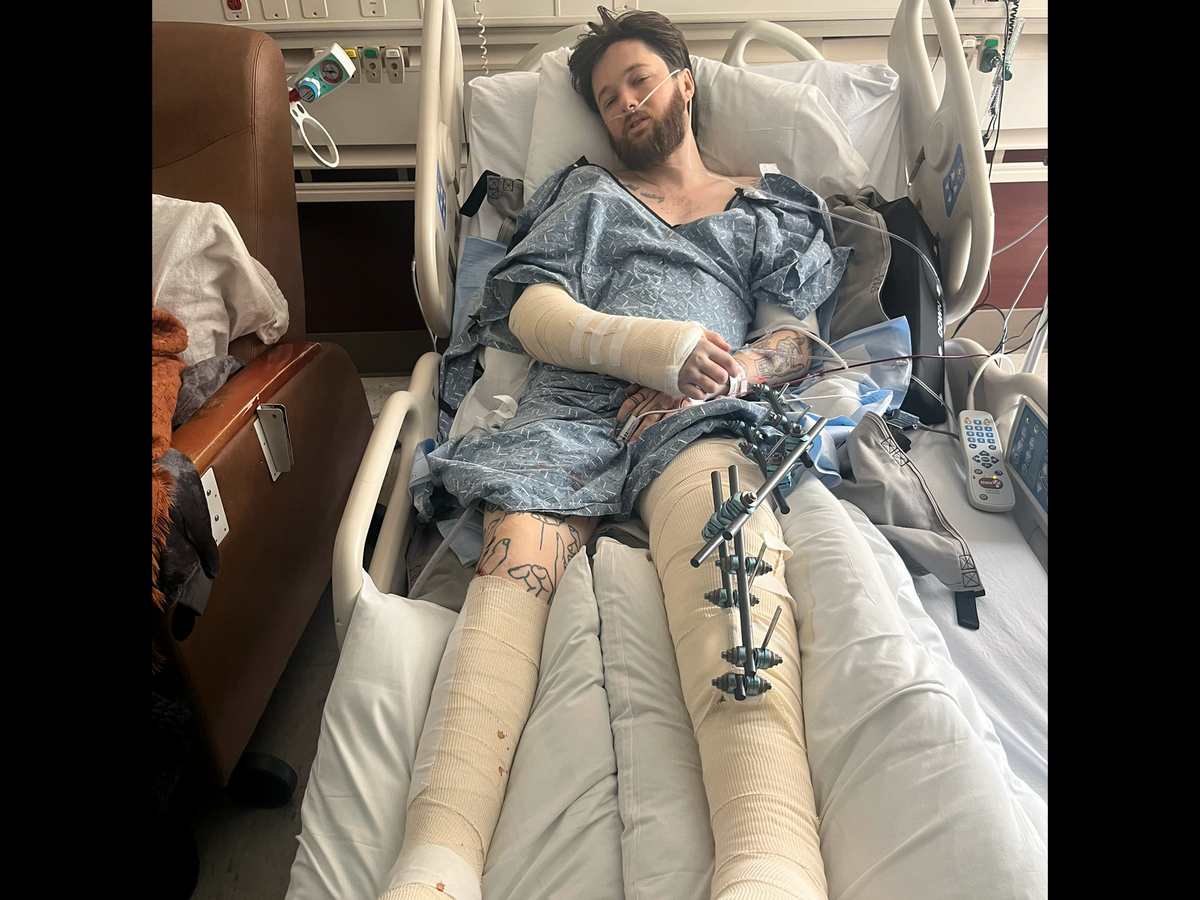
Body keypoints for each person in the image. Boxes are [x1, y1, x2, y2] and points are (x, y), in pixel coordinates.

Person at [381, 8, 851, 900]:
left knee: (732, 564)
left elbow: (793, 339)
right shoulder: (584, 195)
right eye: (607, 98)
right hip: (567, 410)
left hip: (698, 415)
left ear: (685, 83)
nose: (626, 103)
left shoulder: (768, 208)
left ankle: (768, 864)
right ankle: (436, 862)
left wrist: (729, 373)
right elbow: (531, 312)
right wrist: (653, 348)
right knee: (510, 576)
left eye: (639, 81)